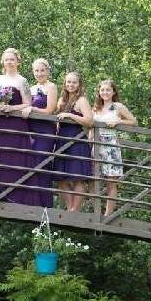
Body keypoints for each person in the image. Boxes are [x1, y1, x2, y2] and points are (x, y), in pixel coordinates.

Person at [0, 48, 33, 205]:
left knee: (15, 157)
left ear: (17, 62)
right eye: (6, 59)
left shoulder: (22, 81)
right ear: (2, 61)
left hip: (16, 125)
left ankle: (16, 195)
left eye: (12, 59)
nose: (9, 62)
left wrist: (11, 108)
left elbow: (28, 103)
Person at [91, 80, 137, 216]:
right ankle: (97, 213)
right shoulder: (96, 108)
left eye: (108, 90)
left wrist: (119, 121)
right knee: (93, 181)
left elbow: (134, 122)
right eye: (102, 90)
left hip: (111, 147)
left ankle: (107, 215)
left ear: (113, 92)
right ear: (99, 92)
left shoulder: (118, 106)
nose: (105, 92)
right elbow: (91, 127)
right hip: (96, 146)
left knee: (111, 182)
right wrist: (90, 140)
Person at [53, 71, 93, 212]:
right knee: (61, 178)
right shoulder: (62, 100)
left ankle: (74, 210)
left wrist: (70, 115)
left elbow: (89, 121)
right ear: (64, 83)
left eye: (74, 82)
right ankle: (70, 209)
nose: (71, 84)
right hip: (62, 141)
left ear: (79, 84)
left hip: (77, 141)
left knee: (78, 178)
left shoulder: (81, 100)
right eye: (68, 82)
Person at [21, 58, 58, 207]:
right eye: (36, 70)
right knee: (30, 164)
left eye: (42, 70)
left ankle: (44, 205)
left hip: (45, 132)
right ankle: (32, 202)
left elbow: (50, 110)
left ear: (47, 71)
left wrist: (33, 109)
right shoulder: (31, 88)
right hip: (31, 131)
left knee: (41, 164)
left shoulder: (52, 87)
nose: (39, 73)